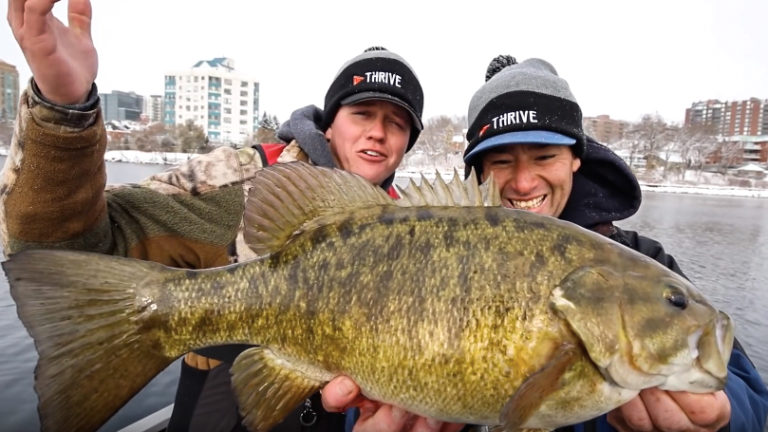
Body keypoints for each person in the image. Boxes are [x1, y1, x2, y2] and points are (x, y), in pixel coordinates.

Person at [4, 1, 465, 431]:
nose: (378, 133)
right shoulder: (241, 185)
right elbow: (64, 245)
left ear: (409, 142)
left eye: (398, 123)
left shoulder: (423, 227)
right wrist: (64, 109)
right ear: (330, 122)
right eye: (362, 112)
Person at [322, 56, 768, 431]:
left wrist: (725, 418)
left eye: (544, 156)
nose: (523, 180)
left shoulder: (643, 263)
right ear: (477, 172)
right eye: (500, 160)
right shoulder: (421, 252)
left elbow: (754, 403)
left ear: (576, 156)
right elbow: (361, 376)